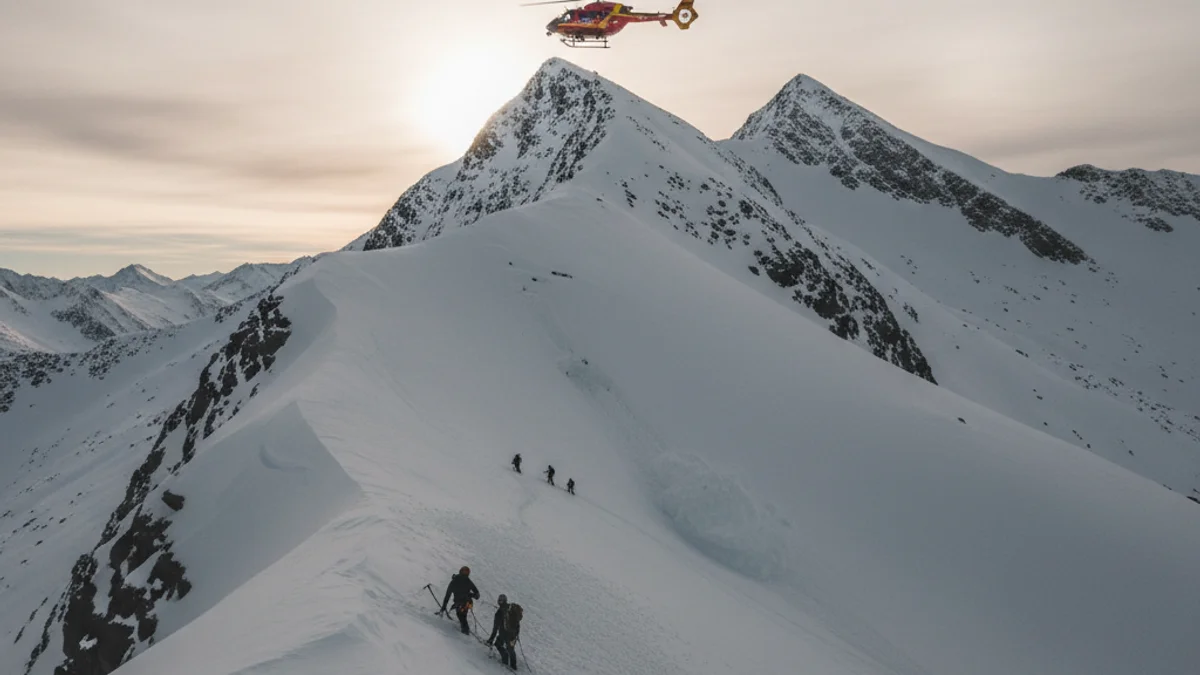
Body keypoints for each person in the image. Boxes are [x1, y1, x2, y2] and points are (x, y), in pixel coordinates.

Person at [440, 566, 480, 635]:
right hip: (466, 603)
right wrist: (470, 595)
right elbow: (477, 595)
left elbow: (447, 595)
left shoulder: (455, 581)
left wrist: (443, 607)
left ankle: (465, 631)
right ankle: (464, 629)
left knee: (461, 615)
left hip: (462, 603)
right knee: (462, 615)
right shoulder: (467, 581)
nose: (465, 574)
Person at [488, 594, 523, 671]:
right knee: (511, 649)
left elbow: (495, 628)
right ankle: (513, 666)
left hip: (503, 634)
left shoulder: (499, 613)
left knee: (498, 644)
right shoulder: (512, 608)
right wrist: (516, 633)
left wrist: (491, 639)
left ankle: (505, 659)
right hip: (513, 634)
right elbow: (517, 623)